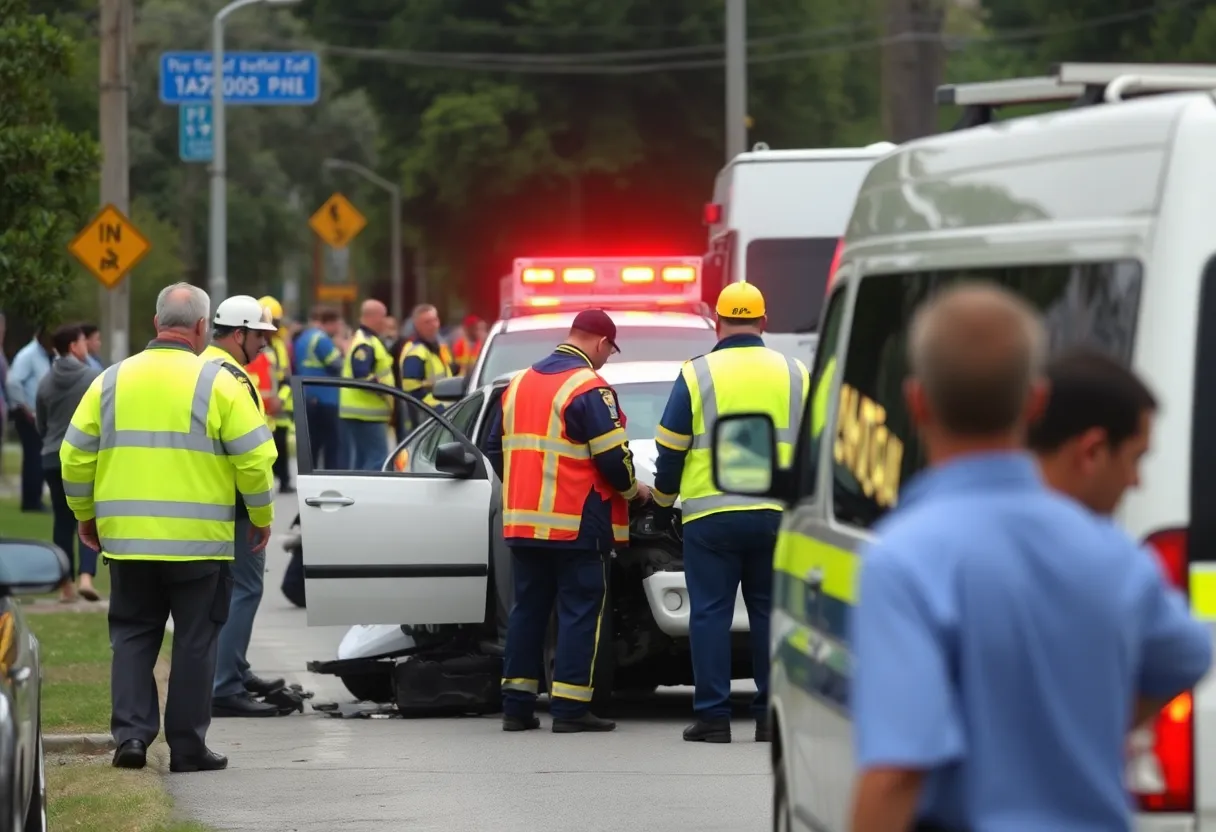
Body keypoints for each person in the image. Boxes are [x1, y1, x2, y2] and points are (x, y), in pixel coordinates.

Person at [848, 284, 1212, 832]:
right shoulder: (1112, 552)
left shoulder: (906, 561)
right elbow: (1185, 655)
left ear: (917, 401)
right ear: (1035, 402)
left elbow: (897, 773)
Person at [59, 282, 276, 774]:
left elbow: (74, 455)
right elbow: (256, 458)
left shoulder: (110, 380)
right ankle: (188, 747)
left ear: (157, 323)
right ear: (202, 328)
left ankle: (131, 738)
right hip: (199, 546)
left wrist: (84, 514)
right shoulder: (218, 380)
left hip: (129, 542)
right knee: (196, 641)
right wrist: (260, 517)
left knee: (133, 636)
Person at [650, 282, 809, 744]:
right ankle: (768, 716)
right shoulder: (796, 371)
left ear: (717, 323)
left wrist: (662, 505)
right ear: (764, 321)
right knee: (769, 614)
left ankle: (714, 718)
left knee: (711, 615)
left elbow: (670, 446)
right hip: (778, 515)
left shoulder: (697, 374)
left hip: (711, 518)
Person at [485, 309, 652, 734]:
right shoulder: (588, 387)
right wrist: (636, 493)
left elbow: (492, 449)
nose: (607, 360)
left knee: (528, 612)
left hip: (524, 522)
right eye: (609, 352)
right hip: (578, 522)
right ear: (600, 343)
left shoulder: (518, 384)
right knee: (580, 612)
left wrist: (526, 487)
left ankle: (517, 708)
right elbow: (614, 461)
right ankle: (570, 709)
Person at [202, 296, 287, 718]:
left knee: (226, 592)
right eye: (261, 337)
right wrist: (261, 514)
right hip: (236, 503)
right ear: (239, 334)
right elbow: (251, 456)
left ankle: (233, 668)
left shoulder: (204, 368)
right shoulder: (234, 379)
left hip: (213, 498)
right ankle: (225, 684)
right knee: (244, 590)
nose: (265, 347)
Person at [1029, 347, 1157, 517]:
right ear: (1092, 452)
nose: (1136, 481)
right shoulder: (1099, 542)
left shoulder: (986, 520)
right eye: (1134, 459)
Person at [35, 324, 101, 602]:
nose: (87, 346)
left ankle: (65, 585)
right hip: (83, 457)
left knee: (61, 520)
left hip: (51, 457)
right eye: (84, 342)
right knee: (87, 516)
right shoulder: (93, 377)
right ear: (74, 347)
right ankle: (86, 576)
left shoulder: (45, 381)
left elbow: (41, 422)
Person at [340, 299, 395, 470]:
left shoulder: (368, 340)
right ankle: (371, 496)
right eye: (383, 316)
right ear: (374, 317)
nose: (386, 321)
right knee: (377, 460)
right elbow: (362, 376)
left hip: (361, 412)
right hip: (367, 413)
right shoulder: (365, 343)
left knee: (362, 461)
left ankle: (357, 495)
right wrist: (386, 392)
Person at [6, 328, 53, 512]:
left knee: (39, 457)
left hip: (39, 414)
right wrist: (23, 406)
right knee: (34, 457)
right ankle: (31, 502)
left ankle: (35, 499)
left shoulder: (46, 355)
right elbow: (13, 382)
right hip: (28, 414)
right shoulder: (29, 355)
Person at [293, 305, 346, 469]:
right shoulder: (322, 339)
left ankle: (311, 476)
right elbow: (337, 365)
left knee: (313, 444)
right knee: (332, 446)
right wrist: (342, 347)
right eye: (338, 324)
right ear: (330, 323)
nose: (339, 328)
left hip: (308, 396)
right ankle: (331, 479)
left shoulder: (303, 338)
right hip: (326, 398)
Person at [259, 296, 294, 494]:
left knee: (280, 442)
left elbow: (286, 377)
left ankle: (284, 481)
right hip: (258, 404)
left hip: (277, 405)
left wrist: (280, 398)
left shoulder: (278, 345)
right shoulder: (251, 344)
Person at [399, 304, 453, 413]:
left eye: (435, 320)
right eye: (427, 322)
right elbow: (412, 391)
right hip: (429, 413)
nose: (433, 325)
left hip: (446, 410)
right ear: (417, 326)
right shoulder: (415, 352)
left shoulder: (440, 346)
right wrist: (435, 409)